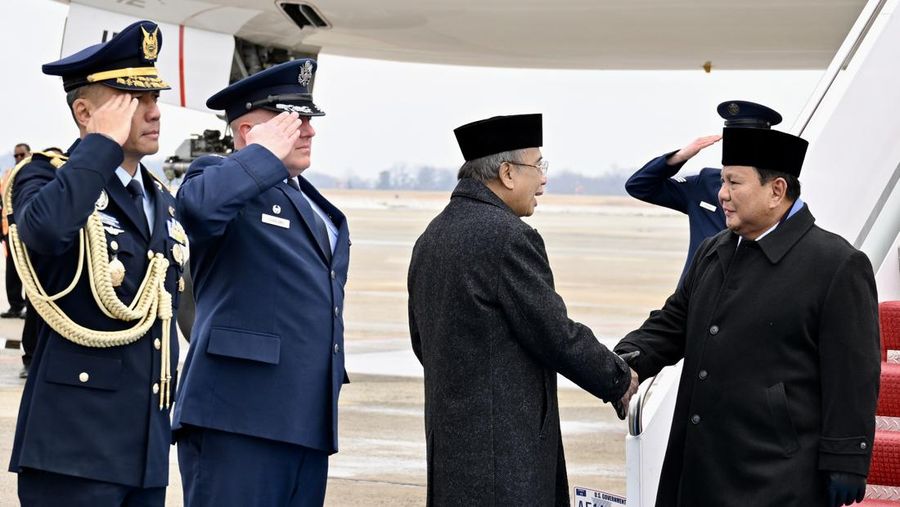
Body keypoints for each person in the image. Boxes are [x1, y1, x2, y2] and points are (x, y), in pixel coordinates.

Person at [614, 124, 881, 506]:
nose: (722, 194)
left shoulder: (836, 265)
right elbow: (673, 323)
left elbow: (853, 373)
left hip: (776, 475)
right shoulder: (715, 250)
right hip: (700, 466)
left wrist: (847, 458)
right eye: (723, 182)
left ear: (776, 191)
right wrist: (622, 363)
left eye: (734, 183)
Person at [407, 114, 640, 506]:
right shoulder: (508, 238)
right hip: (505, 462)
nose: (544, 180)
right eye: (539, 166)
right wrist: (619, 379)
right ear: (507, 173)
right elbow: (555, 334)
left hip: (451, 455)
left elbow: (421, 342)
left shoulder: (432, 236)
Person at [6, 20, 182, 506]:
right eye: (131, 99)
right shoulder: (46, 176)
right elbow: (45, 230)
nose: (152, 112)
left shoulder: (159, 198)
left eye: (153, 98)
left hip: (143, 447)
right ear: (85, 111)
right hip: (74, 447)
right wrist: (100, 145)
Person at [173, 58, 350, 507]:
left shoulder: (313, 204)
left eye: (309, 120)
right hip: (238, 418)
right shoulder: (215, 176)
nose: (308, 131)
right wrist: (261, 156)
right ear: (250, 132)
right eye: (292, 122)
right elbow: (198, 209)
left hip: (303, 421)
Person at [625, 101, 782, 280]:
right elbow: (639, 186)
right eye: (734, 139)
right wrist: (680, 156)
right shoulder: (707, 182)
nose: (724, 194)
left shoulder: (774, 191)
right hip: (693, 298)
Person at [1, 143, 30, 319]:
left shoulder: (34, 176)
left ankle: (32, 309)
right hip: (9, 231)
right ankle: (15, 306)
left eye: (21, 155)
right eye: (16, 156)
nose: (18, 158)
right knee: (12, 271)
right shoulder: (7, 176)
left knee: (29, 270)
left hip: (28, 229)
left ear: (28, 154)